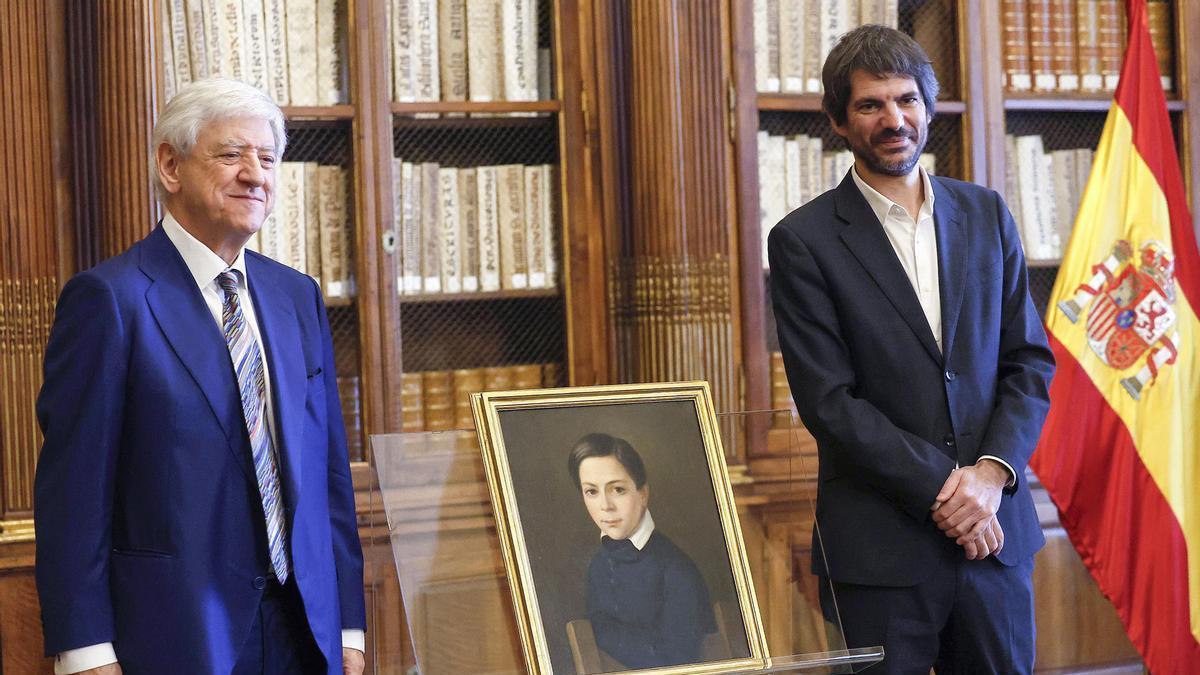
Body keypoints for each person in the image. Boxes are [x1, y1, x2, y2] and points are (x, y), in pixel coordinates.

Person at [33, 78, 366, 675]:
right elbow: (73, 496)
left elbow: (328, 475)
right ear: (170, 165)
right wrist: (84, 651)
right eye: (232, 154)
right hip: (176, 635)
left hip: (304, 632)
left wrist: (348, 625)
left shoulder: (297, 296)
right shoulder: (111, 301)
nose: (255, 175)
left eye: (268, 159)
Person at [767, 25, 1055, 674]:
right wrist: (946, 490)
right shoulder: (802, 241)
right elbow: (829, 401)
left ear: (927, 108)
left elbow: (1028, 363)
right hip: (880, 554)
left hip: (996, 540)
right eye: (870, 105)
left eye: (906, 100)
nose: (893, 119)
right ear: (839, 121)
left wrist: (988, 477)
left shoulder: (986, 215)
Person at [567, 433, 717, 670]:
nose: (605, 505)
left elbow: (680, 660)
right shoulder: (598, 566)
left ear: (642, 493)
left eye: (617, 489)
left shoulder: (675, 569)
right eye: (592, 492)